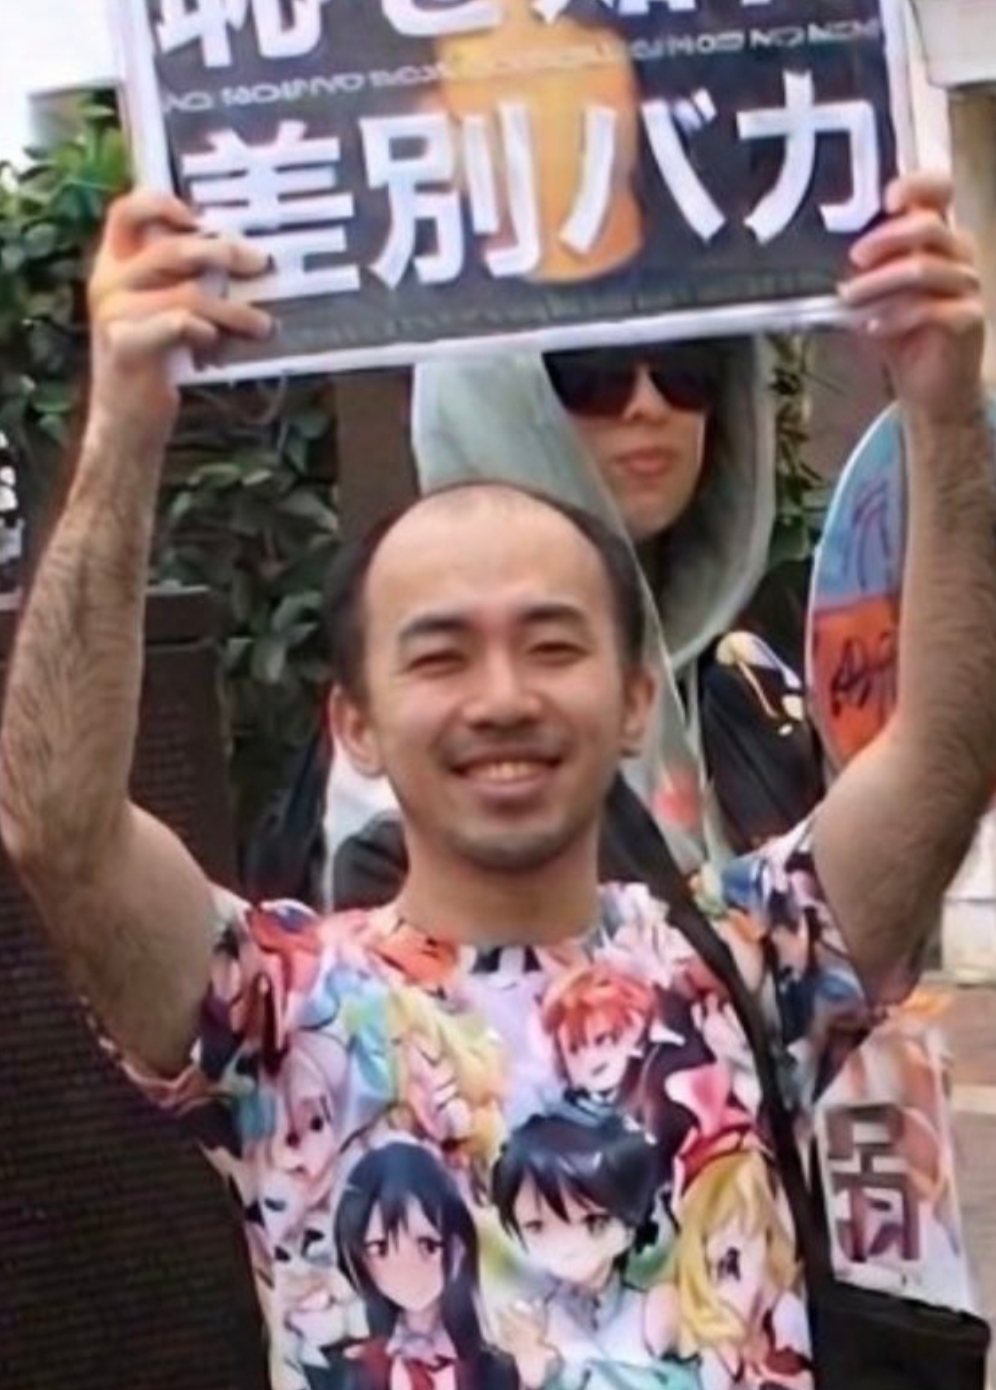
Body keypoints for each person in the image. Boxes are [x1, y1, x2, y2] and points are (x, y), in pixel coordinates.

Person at [1, 173, 995, 1390]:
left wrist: (943, 411)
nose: (504, 695)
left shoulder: (754, 959)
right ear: (357, 721)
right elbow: (58, 827)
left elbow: (943, 756)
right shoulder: (278, 1011)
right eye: (441, 654)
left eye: (554, 643)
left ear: (634, 696)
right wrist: (123, 428)